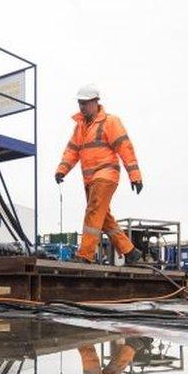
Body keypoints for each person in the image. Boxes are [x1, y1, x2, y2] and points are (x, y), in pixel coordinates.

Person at [55, 84, 143, 264]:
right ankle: (130, 251)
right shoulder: (80, 127)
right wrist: (61, 170)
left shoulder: (111, 122)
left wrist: (135, 175)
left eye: (85, 103)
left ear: (96, 102)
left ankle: (86, 255)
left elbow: (125, 148)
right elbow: (72, 150)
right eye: (80, 103)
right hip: (90, 179)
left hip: (106, 174)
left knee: (93, 211)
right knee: (103, 217)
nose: (82, 106)